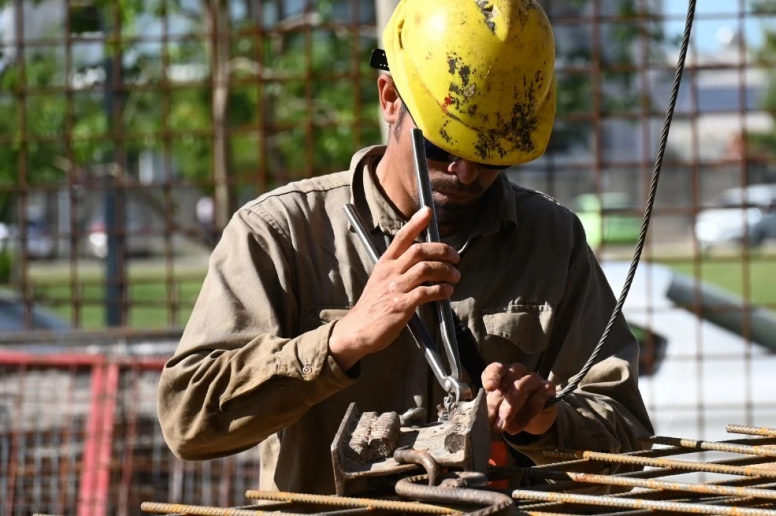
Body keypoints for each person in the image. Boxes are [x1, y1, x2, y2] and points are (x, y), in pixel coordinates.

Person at [157, 0, 653, 495]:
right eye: (441, 147)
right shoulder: (281, 234)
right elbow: (187, 422)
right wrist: (340, 341)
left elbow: (628, 440)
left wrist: (546, 421)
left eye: (491, 155)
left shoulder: (551, 240)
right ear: (390, 97)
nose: (466, 173)